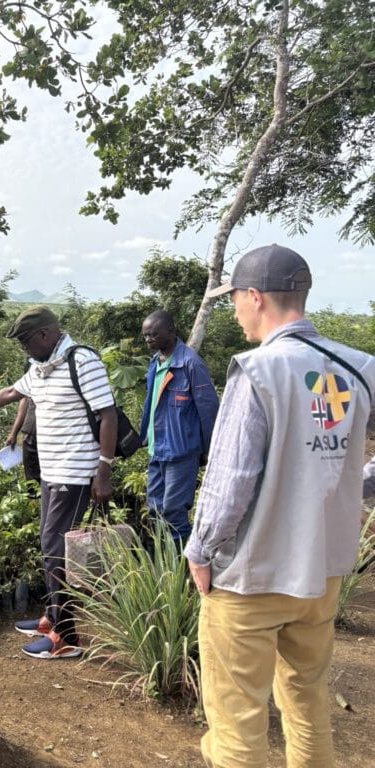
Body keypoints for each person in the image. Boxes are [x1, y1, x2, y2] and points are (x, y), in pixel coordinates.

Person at [184, 244, 375, 767]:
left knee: (237, 723)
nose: (237, 312)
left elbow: (231, 481)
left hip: (250, 579)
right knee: (308, 703)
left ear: (254, 297)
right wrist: (355, 483)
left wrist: (200, 550)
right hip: (323, 576)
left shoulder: (258, 371)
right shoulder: (359, 369)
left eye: (236, 301)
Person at [0, 306, 117, 660]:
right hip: (52, 472)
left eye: (25, 341)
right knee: (49, 544)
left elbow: (108, 414)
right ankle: (52, 617)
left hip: (76, 472)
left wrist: (104, 469)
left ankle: (66, 636)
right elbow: (11, 393)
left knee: (58, 550)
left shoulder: (82, 361)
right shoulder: (41, 368)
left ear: (45, 335)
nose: (22, 348)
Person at [139, 310, 218, 544]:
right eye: (145, 336)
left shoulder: (191, 364)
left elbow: (209, 411)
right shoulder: (155, 362)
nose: (148, 340)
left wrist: (209, 451)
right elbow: (151, 405)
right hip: (157, 450)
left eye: (153, 335)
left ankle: (182, 569)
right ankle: (163, 566)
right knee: (155, 510)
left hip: (181, 452)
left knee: (174, 513)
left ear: (171, 332)